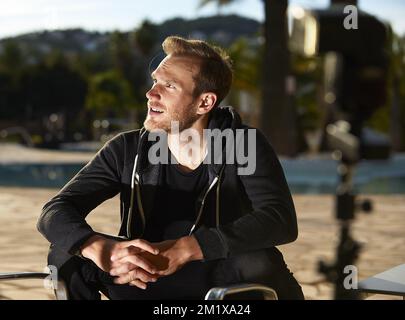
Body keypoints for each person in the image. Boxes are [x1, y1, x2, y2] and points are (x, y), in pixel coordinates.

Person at [37, 36, 304, 300]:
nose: (151, 93)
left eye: (169, 85)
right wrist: (100, 248)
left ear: (205, 102)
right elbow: (54, 211)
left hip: (217, 278)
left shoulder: (243, 144)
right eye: (155, 81)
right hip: (144, 276)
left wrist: (186, 248)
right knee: (65, 253)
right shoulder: (127, 149)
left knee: (257, 261)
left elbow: (279, 219)